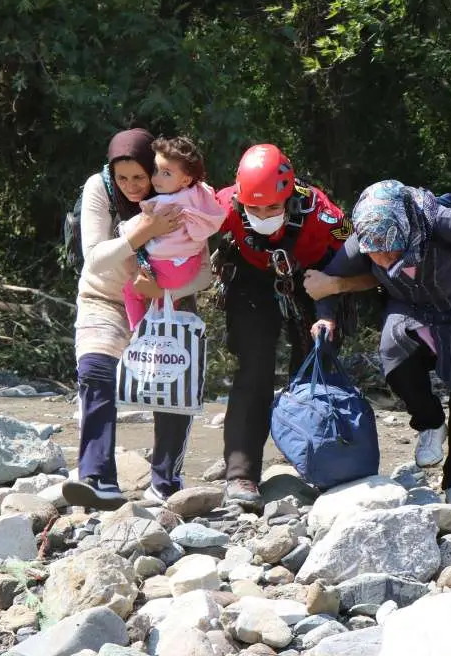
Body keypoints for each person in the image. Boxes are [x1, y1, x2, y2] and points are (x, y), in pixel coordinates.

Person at [310, 179, 451, 510]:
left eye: (391, 250)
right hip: (411, 308)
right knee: (394, 354)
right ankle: (431, 423)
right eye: (373, 254)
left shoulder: (440, 221)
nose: (383, 258)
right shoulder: (364, 240)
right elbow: (323, 283)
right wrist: (326, 318)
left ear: (406, 228)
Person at [213, 144, 375, 507]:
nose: (263, 214)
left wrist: (328, 311)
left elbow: (352, 262)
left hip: (314, 277)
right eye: (253, 208)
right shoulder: (223, 204)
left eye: (272, 207)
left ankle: (321, 463)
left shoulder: (324, 216)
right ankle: (241, 475)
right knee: (254, 367)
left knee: (316, 365)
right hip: (250, 278)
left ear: (289, 198)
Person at [62, 128, 211, 509]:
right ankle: (97, 477)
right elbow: (94, 257)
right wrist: (144, 230)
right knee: (95, 371)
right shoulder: (99, 188)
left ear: (154, 171)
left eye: (139, 177)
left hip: (167, 300)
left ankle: (165, 480)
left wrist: (161, 293)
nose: (130, 186)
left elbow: (205, 271)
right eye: (122, 177)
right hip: (104, 296)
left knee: (174, 385)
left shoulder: (176, 189)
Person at [121, 136, 224, 327]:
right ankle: (164, 326)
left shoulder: (164, 204)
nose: (156, 178)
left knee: (130, 290)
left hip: (165, 268)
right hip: (189, 266)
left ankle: (138, 332)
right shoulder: (201, 193)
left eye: (166, 173)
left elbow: (136, 227)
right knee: (164, 303)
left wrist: (122, 229)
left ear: (185, 179)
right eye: (156, 170)